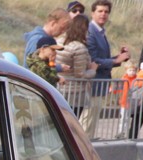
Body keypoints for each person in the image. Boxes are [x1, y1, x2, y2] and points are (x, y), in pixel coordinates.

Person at [81, 0, 130, 137]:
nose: (103, 14)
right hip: (92, 84)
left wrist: (119, 58)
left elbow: (101, 58)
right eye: (100, 11)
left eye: (106, 12)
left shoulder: (101, 32)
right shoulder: (90, 32)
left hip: (100, 85)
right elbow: (93, 60)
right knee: (86, 123)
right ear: (92, 13)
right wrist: (115, 60)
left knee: (91, 123)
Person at [55, 14, 98, 116]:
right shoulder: (79, 48)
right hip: (75, 93)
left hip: (58, 87)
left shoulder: (59, 41)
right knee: (71, 122)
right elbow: (80, 74)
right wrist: (93, 70)